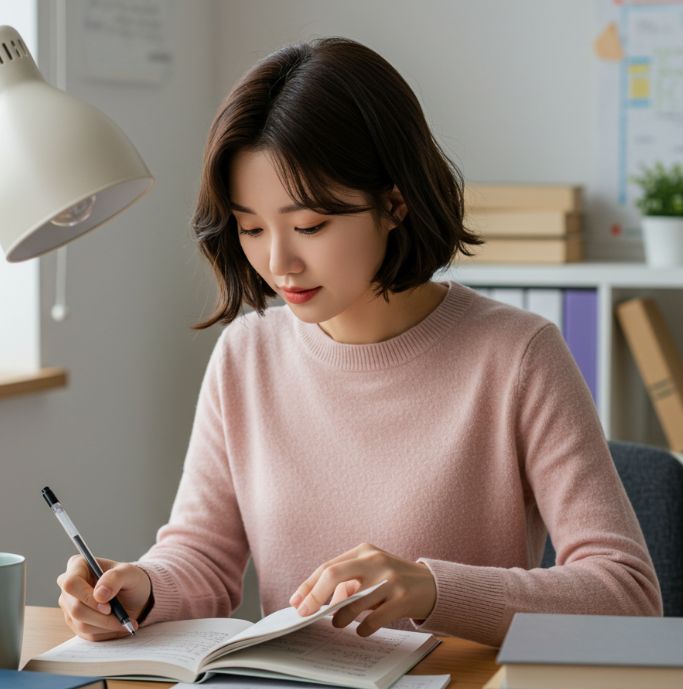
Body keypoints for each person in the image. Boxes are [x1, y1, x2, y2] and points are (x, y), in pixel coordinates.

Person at [57, 38, 662, 648]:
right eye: (251, 227)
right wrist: (143, 588)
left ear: (394, 202)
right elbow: (204, 558)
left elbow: (628, 595)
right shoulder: (247, 356)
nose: (278, 261)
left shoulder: (517, 354)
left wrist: (430, 589)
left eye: (310, 226)